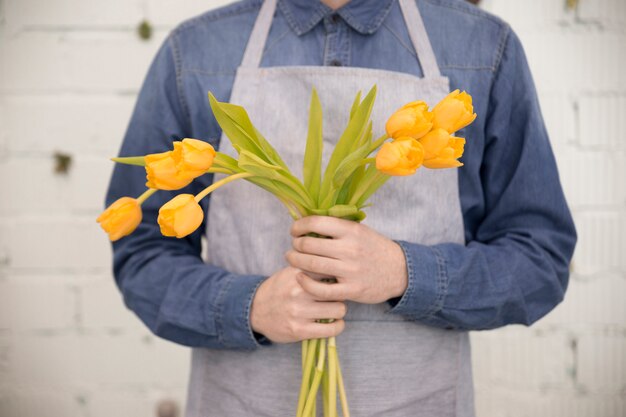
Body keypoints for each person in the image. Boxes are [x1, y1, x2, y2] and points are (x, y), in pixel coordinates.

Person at [105, 0, 576, 416]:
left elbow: (541, 261)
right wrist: (246, 307)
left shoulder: (482, 47)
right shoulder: (196, 51)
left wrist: (405, 272)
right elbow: (141, 255)